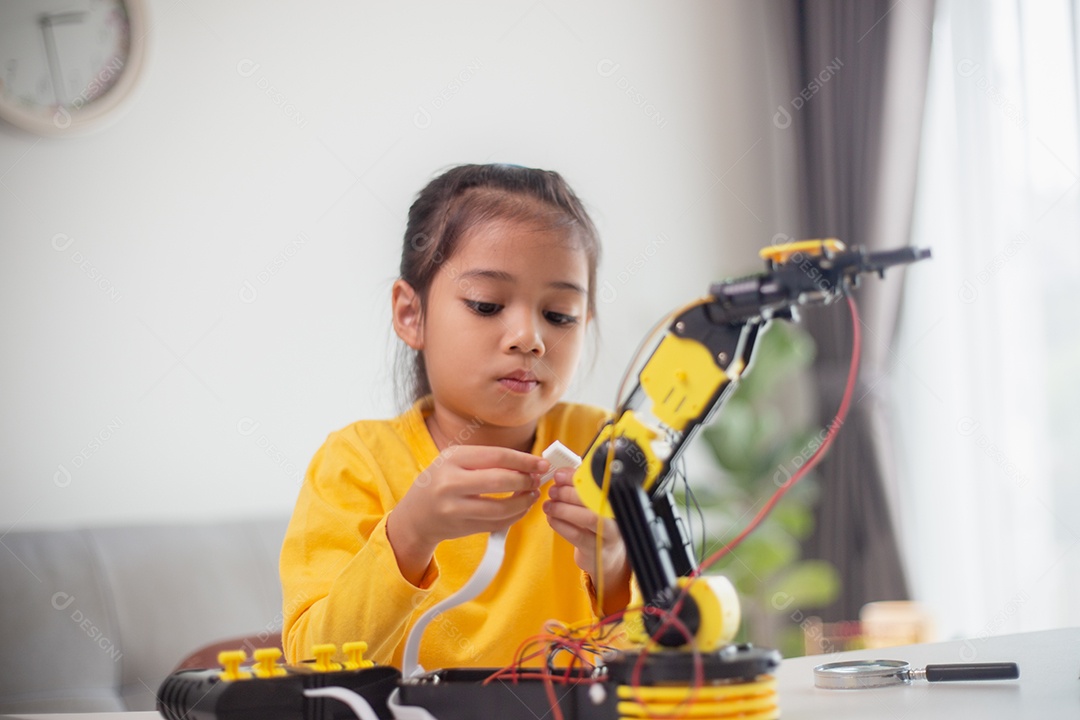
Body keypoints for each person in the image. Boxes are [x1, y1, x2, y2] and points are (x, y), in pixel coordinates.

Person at [280, 163, 633, 670]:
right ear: (411, 314)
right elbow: (314, 666)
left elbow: (676, 659)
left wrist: (616, 567)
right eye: (487, 305)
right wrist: (410, 534)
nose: (529, 338)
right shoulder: (355, 464)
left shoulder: (608, 447)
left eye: (559, 315)